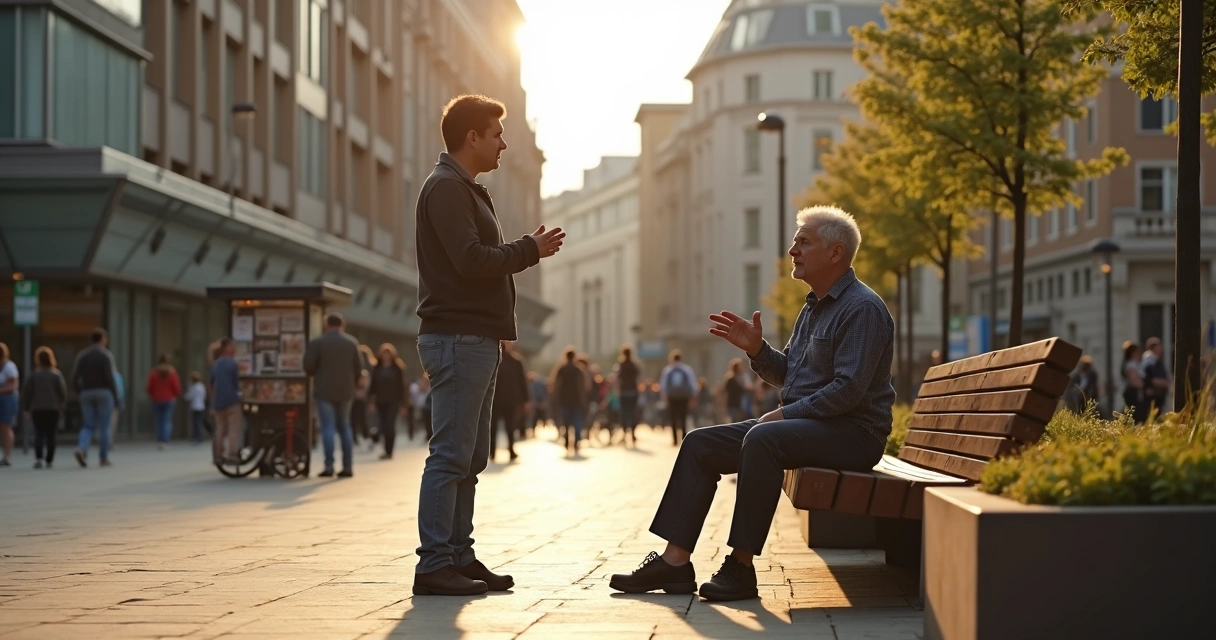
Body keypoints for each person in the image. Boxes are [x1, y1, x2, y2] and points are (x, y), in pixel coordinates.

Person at [610, 205, 894, 602]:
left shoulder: (862, 308)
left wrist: (784, 415)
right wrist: (758, 349)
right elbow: (791, 375)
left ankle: (741, 567)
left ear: (836, 253)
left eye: (803, 242)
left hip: (854, 434)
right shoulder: (813, 307)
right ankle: (675, 562)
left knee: (764, 439)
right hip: (812, 427)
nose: (792, 249)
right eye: (795, 241)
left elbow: (848, 390)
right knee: (699, 443)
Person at [412, 94, 564, 596]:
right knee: (450, 456)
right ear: (471, 137)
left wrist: (523, 249)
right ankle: (434, 564)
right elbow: (470, 260)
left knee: (471, 457)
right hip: (457, 338)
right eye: (496, 133)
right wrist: (529, 250)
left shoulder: (467, 190)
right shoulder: (446, 189)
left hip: (476, 338)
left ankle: (458, 555)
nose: (504, 143)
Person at [303, 313, 363, 478]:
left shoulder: (318, 342)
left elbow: (308, 366)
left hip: (324, 390)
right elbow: (359, 369)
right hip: (346, 391)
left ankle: (329, 466)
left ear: (326, 324)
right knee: (345, 427)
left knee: (328, 427)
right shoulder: (351, 343)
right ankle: (347, 466)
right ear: (341, 324)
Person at [72, 328, 121, 468]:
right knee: (105, 426)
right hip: (104, 392)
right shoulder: (105, 356)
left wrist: (79, 391)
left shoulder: (83, 355)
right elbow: (110, 378)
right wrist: (116, 397)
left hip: (87, 392)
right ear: (102, 340)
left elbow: (75, 377)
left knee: (88, 425)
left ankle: (81, 448)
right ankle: (103, 457)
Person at [22, 346, 66, 468]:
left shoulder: (34, 375)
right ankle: (49, 460)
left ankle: (39, 458)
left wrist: (26, 408)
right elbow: (62, 392)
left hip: (37, 408)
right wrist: (61, 404)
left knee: (39, 434)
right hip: (53, 408)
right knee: (51, 434)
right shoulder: (56, 374)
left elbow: (28, 393)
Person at [491, 341, 529, 461]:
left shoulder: (492, 361)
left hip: (494, 399)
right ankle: (511, 451)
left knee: (492, 427)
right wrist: (525, 400)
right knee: (510, 426)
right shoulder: (516, 361)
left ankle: (492, 452)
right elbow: (523, 382)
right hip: (511, 399)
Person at [369, 343, 408, 460]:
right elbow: (373, 385)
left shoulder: (397, 368)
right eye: (384, 354)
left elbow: (402, 386)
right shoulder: (377, 368)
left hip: (394, 401)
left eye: (388, 354)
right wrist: (370, 400)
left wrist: (404, 404)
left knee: (390, 425)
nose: (386, 356)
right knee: (383, 426)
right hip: (380, 401)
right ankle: (385, 450)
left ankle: (389, 451)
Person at [209, 338, 243, 465]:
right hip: (232, 400)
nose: (235, 349)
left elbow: (211, 383)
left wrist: (213, 399)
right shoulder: (232, 364)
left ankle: (218, 455)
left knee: (220, 429)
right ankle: (232, 454)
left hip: (218, 401)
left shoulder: (216, 363)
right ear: (227, 347)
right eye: (232, 346)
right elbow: (236, 384)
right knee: (234, 428)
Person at [551, 348, 587, 455]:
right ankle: (576, 441)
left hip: (564, 399)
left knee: (566, 421)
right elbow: (583, 386)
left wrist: (555, 397)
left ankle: (567, 439)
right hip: (576, 399)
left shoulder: (561, 369)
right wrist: (583, 398)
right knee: (576, 420)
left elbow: (556, 384)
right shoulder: (578, 369)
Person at [659, 351, 697, 445]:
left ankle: (675, 439)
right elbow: (692, 384)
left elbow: (663, 386)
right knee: (683, 418)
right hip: (683, 397)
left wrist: (664, 398)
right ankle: (684, 438)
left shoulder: (668, 370)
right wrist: (693, 396)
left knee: (673, 418)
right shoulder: (686, 369)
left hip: (672, 397)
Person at [146, 354, 182, 449]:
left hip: (157, 398)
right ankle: (164, 440)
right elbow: (176, 387)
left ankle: (159, 438)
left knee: (159, 420)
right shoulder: (172, 373)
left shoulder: (154, 372)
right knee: (167, 420)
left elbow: (150, 386)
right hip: (169, 399)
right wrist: (176, 394)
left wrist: (151, 394)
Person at [614, 347, 642, 446]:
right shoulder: (635, 365)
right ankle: (633, 433)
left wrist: (617, 390)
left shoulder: (620, 365)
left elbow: (617, 379)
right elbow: (638, 379)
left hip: (623, 392)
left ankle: (625, 433)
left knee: (624, 413)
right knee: (633, 412)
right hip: (633, 392)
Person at [1139, 337, 1171, 416]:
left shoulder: (1157, 360)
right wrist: (1163, 383)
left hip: (1159, 395)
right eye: (1158, 346)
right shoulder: (1149, 362)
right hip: (1152, 395)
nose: (1161, 348)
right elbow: (1147, 378)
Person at [0, 342, 17, 467]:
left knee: (5, 426)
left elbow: (13, 386)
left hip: (7, 399)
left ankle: (6, 456)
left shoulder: (9, 367)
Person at [1121, 341, 1147, 424]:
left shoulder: (1137, 363)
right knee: (1136, 415)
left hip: (1138, 392)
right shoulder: (1131, 364)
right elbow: (1134, 382)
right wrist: (1147, 385)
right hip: (1133, 393)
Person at [723, 358, 753, 423]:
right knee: (736, 422)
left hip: (739, 405)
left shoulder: (740, 378)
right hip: (733, 405)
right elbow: (725, 393)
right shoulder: (731, 379)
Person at [185, 371, 209, 444]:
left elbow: (190, 396)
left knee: (196, 423)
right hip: (201, 406)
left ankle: (197, 437)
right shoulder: (201, 386)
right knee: (199, 422)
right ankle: (199, 436)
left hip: (195, 407)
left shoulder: (193, 387)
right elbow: (204, 396)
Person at [409, 374, 433, 441]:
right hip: (423, 407)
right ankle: (428, 434)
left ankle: (430, 434)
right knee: (426, 422)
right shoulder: (417, 386)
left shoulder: (431, 387)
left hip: (430, 407)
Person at [528, 371, 549, 436]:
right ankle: (544, 426)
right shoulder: (541, 382)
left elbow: (533, 394)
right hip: (540, 402)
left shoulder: (533, 384)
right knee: (542, 416)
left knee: (535, 417)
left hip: (537, 403)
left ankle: (534, 430)